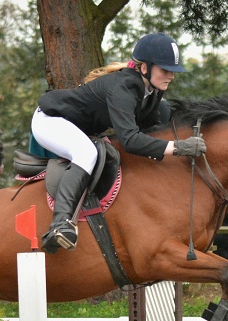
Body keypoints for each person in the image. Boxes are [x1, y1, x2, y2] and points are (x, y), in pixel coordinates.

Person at [31, 32, 206, 254]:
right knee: (86, 154)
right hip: (50, 120)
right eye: (165, 70)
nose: (170, 76)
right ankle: (60, 223)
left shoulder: (151, 91)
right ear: (145, 68)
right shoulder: (123, 88)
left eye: (172, 71)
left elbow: (151, 132)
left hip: (78, 126)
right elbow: (131, 140)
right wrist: (178, 147)